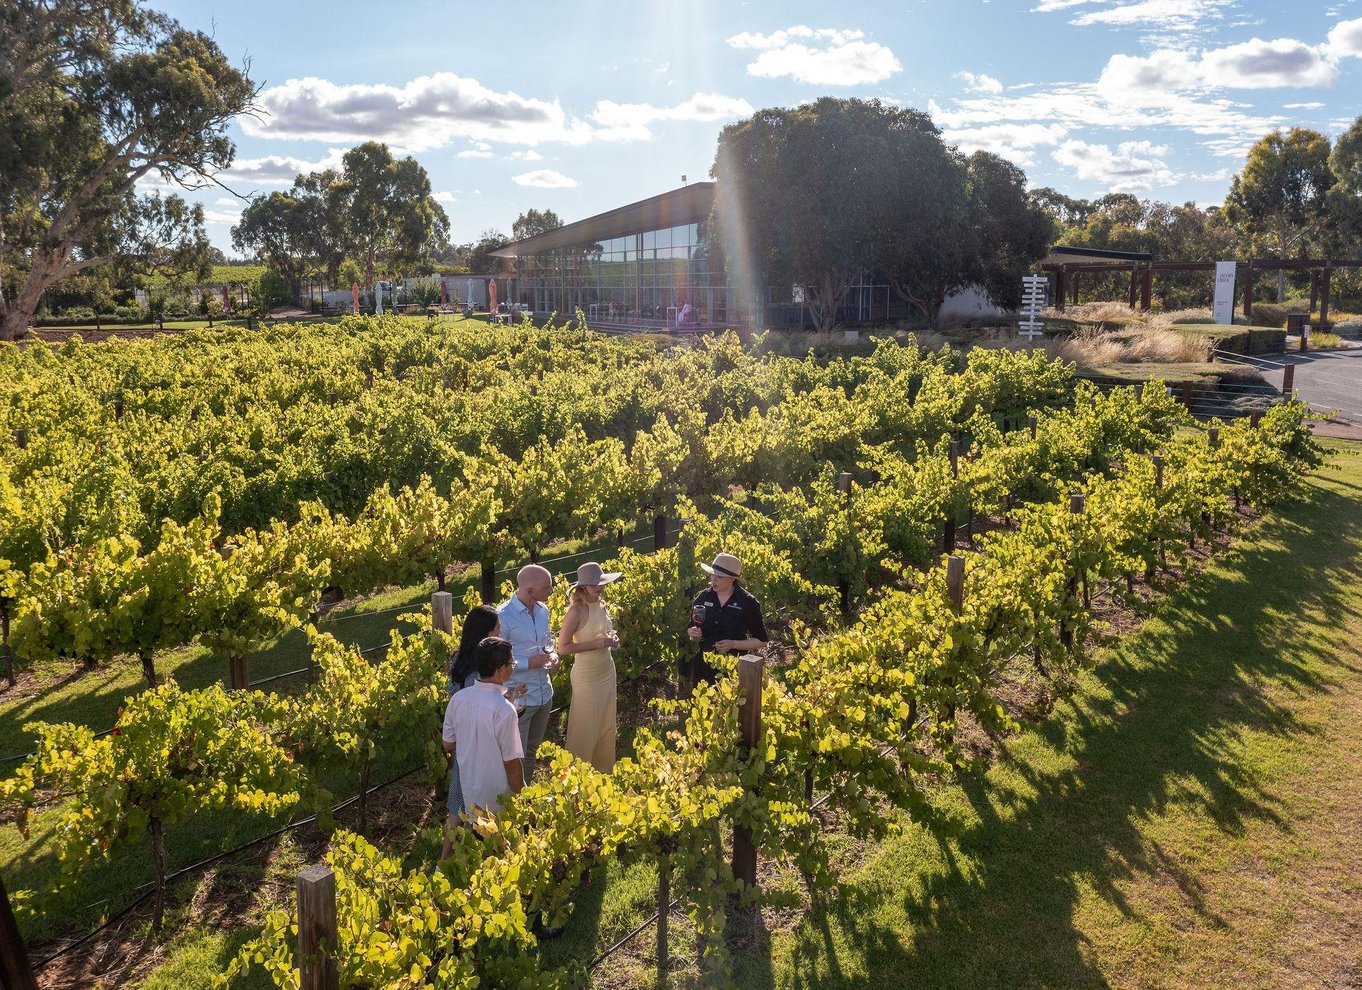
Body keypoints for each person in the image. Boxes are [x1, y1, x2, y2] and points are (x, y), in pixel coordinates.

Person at [441, 637, 524, 835]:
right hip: (499, 798)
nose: (513, 667)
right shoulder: (504, 710)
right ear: (501, 670)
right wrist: (523, 796)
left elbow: (447, 744)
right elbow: (512, 764)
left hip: (469, 791)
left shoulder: (458, 699)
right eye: (512, 663)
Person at [557, 562, 622, 772]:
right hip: (587, 675)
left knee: (605, 720)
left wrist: (613, 640)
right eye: (595, 585)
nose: (600, 588)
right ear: (583, 587)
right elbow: (563, 648)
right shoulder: (576, 611)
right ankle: (576, 774)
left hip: (606, 669)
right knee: (584, 725)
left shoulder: (601, 605)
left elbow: (605, 633)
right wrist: (596, 644)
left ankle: (602, 770)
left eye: (601, 583)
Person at [498, 564, 559, 783]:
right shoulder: (503, 616)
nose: (551, 591)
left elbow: (547, 644)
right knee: (518, 756)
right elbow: (497, 661)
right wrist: (528, 663)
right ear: (529, 590)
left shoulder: (543, 611)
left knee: (532, 750)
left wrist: (553, 657)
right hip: (521, 699)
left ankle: (526, 795)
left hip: (544, 694)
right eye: (547, 587)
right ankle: (513, 801)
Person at [687, 552, 767, 685]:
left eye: (719, 576)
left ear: (732, 579)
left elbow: (762, 641)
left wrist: (733, 644)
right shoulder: (703, 597)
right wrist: (692, 633)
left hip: (732, 669)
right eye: (712, 574)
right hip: (703, 668)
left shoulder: (747, 602)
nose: (713, 579)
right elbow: (691, 628)